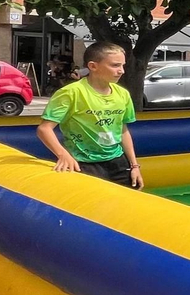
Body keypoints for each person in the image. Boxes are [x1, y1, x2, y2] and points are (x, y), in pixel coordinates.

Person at [36, 42, 141, 188]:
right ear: (93, 66)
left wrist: (134, 166)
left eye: (122, 65)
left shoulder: (122, 94)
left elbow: (122, 129)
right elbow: (44, 129)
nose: (122, 71)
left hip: (117, 161)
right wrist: (63, 154)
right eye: (115, 65)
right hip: (84, 162)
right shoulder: (71, 93)